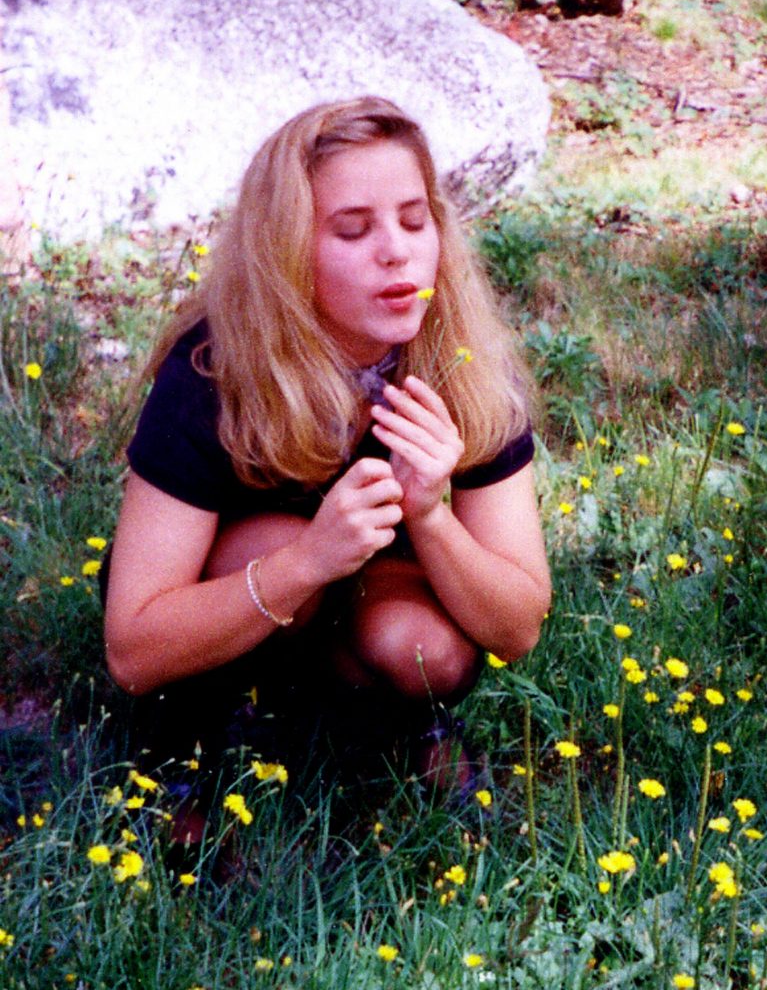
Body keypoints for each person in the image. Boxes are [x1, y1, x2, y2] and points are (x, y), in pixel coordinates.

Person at [103, 96, 551, 814]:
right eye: (352, 229)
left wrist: (430, 516)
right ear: (285, 251)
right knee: (273, 539)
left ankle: (397, 726)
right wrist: (309, 559)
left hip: (375, 604)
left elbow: (518, 625)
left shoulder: (463, 364)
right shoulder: (212, 374)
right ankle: (185, 747)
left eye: (414, 219)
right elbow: (131, 650)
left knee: (422, 647)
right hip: (238, 609)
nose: (397, 252)